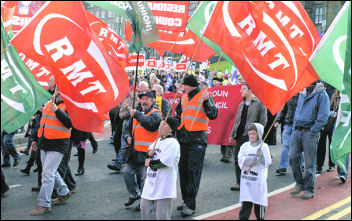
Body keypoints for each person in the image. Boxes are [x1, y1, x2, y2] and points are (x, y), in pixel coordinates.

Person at [175, 74, 218, 216]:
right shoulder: (184, 97)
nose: (183, 87)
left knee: (193, 171)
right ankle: (186, 199)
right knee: (183, 171)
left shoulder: (204, 95)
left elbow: (213, 115)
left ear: (191, 85)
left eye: (184, 85)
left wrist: (206, 102)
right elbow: (179, 113)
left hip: (197, 140)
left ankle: (191, 205)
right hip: (184, 139)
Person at [29, 88, 72, 215]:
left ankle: (44, 204)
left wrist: (57, 111)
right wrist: (35, 139)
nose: (58, 92)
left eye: (60, 90)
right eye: (57, 90)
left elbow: (69, 123)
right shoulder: (49, 104)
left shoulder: (68, 105)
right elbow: (42, 124)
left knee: (47, 174)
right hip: (45, 144)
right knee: (49, 172)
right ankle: (64, 191)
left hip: (58, 145)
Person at [122, 91, 163, 210]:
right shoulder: (137, 113)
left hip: (148, 155)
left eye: (146, 99)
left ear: (153, 100)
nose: (143, 101)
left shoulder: (157, 114)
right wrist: (127, 137)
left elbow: (150, 125)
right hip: (134, 153)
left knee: (145, 179)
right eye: (142, 99)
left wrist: (137, 115)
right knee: (127, 172)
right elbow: (126, 129)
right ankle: (134, 194)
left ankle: (146, 202)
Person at [289, 81, 329, 199]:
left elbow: (324, 116)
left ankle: (309, 189)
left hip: (310, 132)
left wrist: (313, 130)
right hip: (297, 130)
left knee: (309, 163)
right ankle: (299, 183)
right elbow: (297, 111)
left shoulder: (322, 94)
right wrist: (294, 127)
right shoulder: (302, 92)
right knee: (292, 157)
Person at [140, 117, 180, 220]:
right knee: (145, 208)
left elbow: (166, 162)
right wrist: (149, 153)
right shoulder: (157, 140)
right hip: (151, 181)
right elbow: (149, 152)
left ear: (171, 129)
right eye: (160, 124)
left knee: (162, 215)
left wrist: (151, 163)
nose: (160, 126)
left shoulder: (173, 143)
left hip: (164, 183)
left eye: (164, 124)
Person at [229, 83, 267, 191]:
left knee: (251, 160)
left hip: (251, 137)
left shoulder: (259, 103)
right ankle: (239, 182)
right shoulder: (241, 104)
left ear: (250, 90)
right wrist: (232, 134)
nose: (241, 91)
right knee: (238, 159)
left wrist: (256, 134)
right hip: (240, 135)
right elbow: (237, 121)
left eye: (243, 89)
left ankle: (250, 181)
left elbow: (263, 121)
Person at [238, 123, 271, 220]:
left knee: (258, 204)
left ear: (259, 134)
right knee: (246, 203)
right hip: (247, 181)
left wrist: (261, 157)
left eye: (254, 134)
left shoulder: (263, 146)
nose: (252, 136)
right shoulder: (245, 146)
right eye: (250, 134)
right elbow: (240, 159)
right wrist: (249, 160)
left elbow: (267, 162)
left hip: (258, 182)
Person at [274, 94, 305, 176]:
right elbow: (283, 110)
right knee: (286, 146)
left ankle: (302, 164)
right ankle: (283, 167)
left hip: (298, 125)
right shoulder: (288, 96)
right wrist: (278, 121)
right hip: (288, 124)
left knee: (298, 147)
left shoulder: (303, 96)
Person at [316, 90, 340, 174]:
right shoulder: (334, 95)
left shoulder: (343, 97)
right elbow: (328, 107)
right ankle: (319, 165)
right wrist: (331, 112)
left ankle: (331, 165)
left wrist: (337, 112)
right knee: (321, 144)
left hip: (335, 125)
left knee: (331, 144)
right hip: (327, 122)